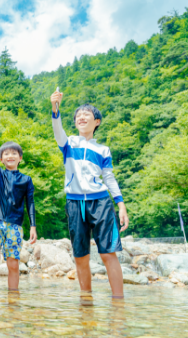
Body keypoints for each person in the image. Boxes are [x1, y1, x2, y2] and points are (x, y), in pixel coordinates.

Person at [50, 90, 129, 298]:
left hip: (101, 202)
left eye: (86, 114)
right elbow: (57, 130)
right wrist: (55, 108)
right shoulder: (68, 144)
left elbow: (109, 178)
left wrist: (121, 205)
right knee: (80, 256)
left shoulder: (103, 150)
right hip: (75, 203)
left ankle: (118, 303)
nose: (81, 117)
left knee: (108, 253)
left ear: (97, 122)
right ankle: (86, 302)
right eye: (78, 116)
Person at [0, 116, 37, 292]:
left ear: (20, 158)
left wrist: (33, 226)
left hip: (15, 224)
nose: (10, 156)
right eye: (6, 154)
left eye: (14, 153)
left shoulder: (26, 180)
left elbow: (30, 203)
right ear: (2, 159)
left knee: (13, 263)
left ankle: (13, 300)